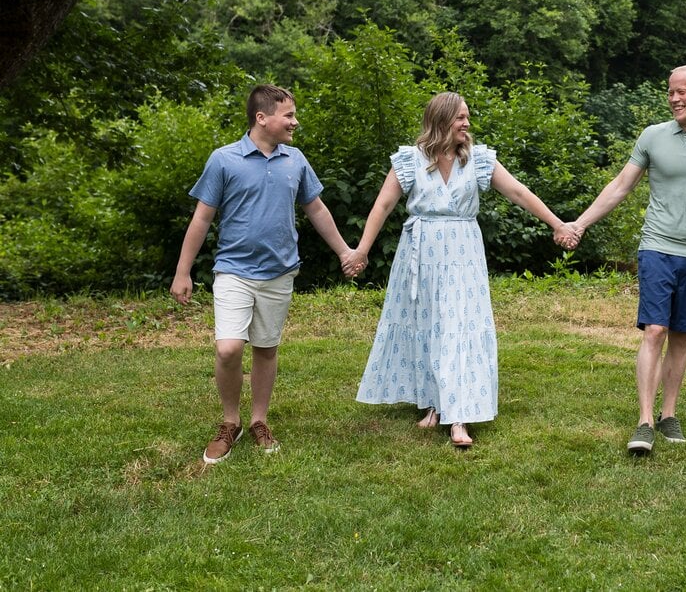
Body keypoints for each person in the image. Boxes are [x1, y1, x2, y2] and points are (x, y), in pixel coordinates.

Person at [342, 92, 573, 449]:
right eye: (460, 117)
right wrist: (362, 250)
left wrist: (558, 224)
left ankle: (459, 414)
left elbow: (518, 193)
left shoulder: (478, 160)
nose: (467, 123)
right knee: (427, 323)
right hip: (421, 252)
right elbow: (383, 205)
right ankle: (433, 403)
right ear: (441, 121)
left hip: (463, 251)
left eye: (467, 116)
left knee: (458, 325)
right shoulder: (410, 159)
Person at [559, 64, 686, 455]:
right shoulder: (653, 136)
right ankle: (644, 421)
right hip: (657, 247)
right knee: (655, 330)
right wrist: (581, 223)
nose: (674, 98)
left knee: (681, 336)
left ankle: (668, 414)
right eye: (670, 92)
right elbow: (620, 186)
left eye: (682, 91)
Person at [171, 84, 353, 465]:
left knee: (266, 348)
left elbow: (317, 210)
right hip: (233, 271)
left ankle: (258, 420)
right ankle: (230, 422)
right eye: (289, 115)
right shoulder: (224, 160)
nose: (295, 122)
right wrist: (182, 271)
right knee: (228, 348)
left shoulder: (295, 160)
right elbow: (202, 218)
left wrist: (344, 251)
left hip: (279, 272)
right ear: (262, 118)